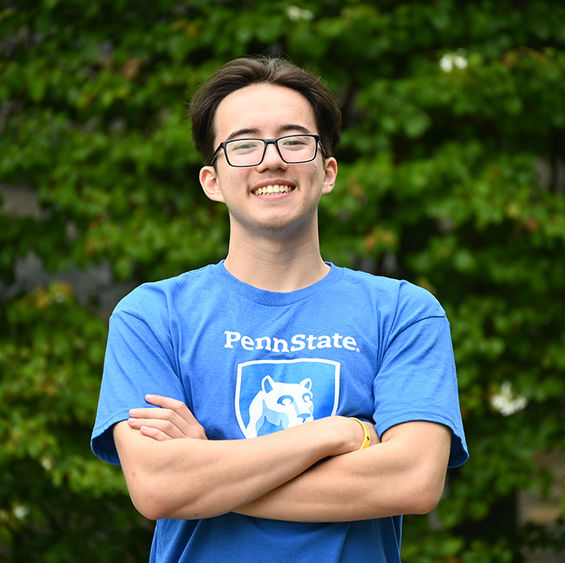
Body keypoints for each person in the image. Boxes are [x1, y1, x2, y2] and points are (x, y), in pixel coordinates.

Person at [91, 56, 468, 562]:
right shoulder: (152, 316)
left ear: (327, 171)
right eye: (244, 145)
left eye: (294, 141)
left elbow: (414, 480)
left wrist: (208, 470)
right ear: (212, 181)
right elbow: (158, 488)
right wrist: (337, 433)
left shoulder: (403, 313)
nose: (271, 160)